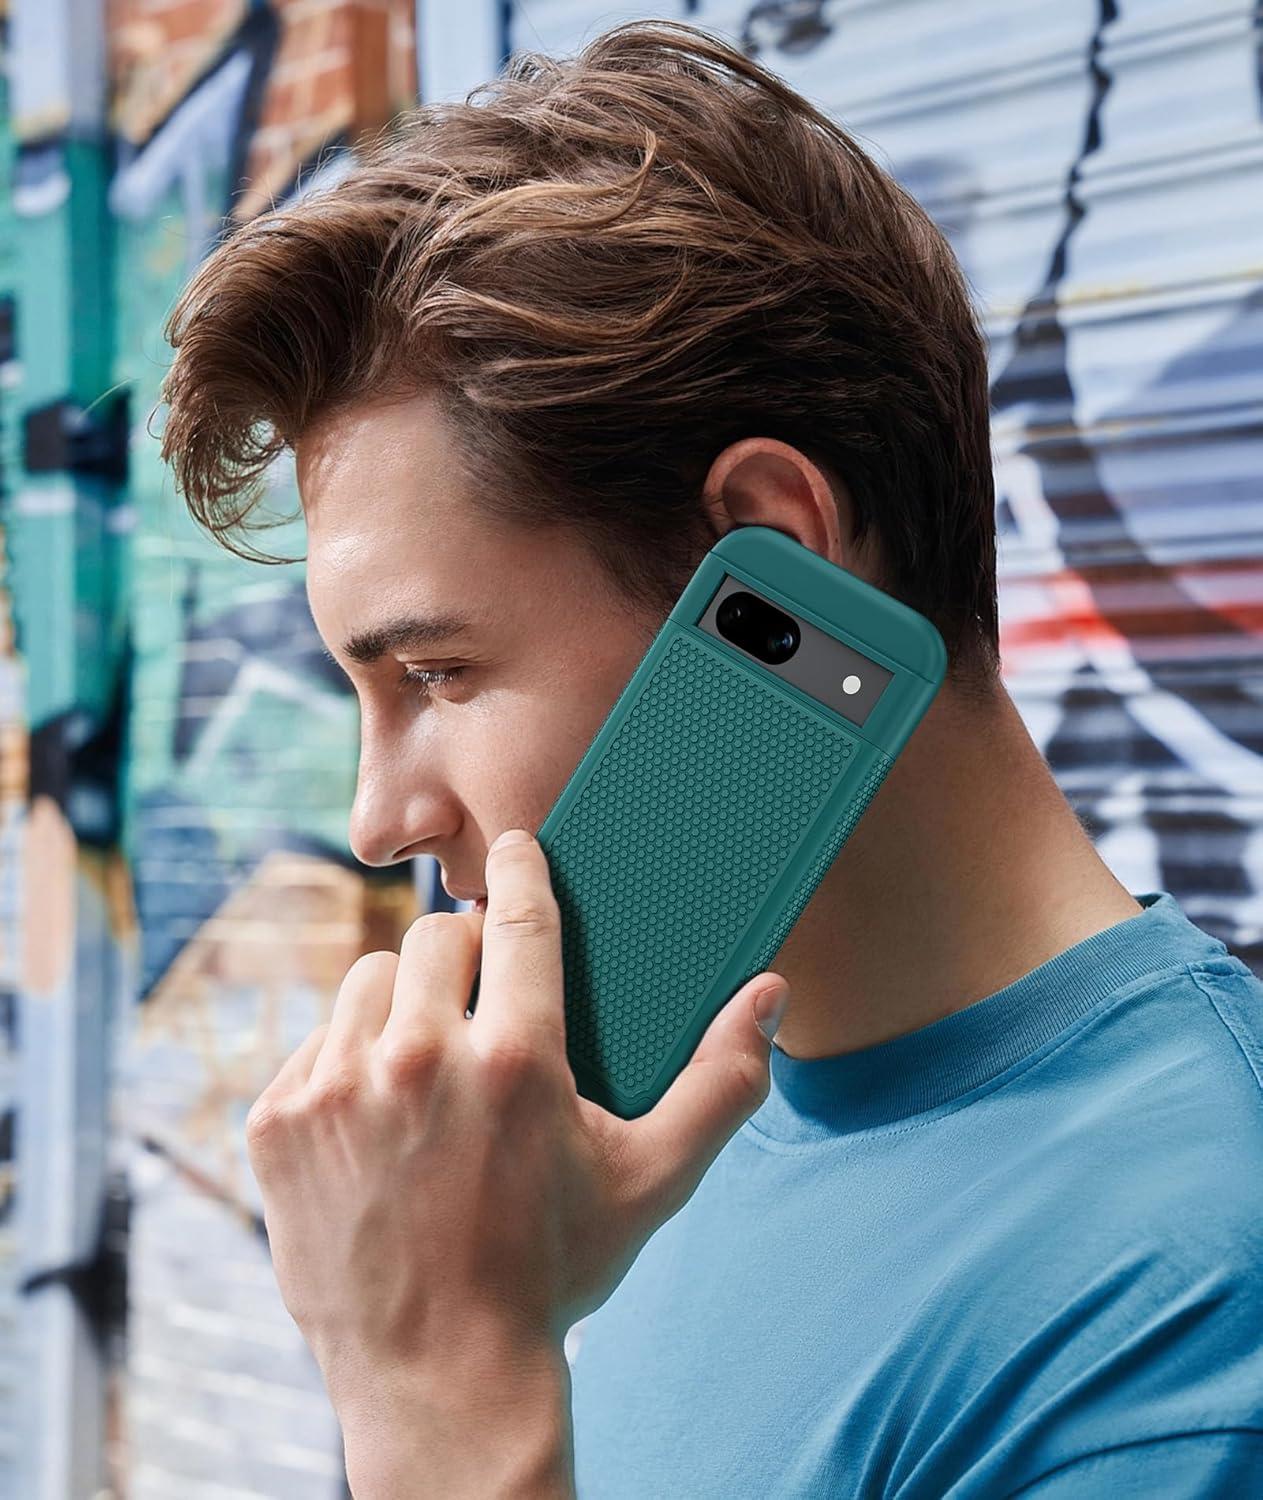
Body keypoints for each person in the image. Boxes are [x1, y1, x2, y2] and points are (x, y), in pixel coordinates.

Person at [155, 18, 1263, 1497]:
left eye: (437, 672)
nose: (377, 819)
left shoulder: (1180, 1318)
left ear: (771, 565)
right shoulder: (609, 1131)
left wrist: (435, 1394)